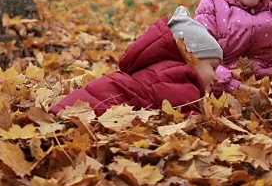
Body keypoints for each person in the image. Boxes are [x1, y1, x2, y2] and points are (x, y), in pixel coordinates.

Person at [49, 6, 224, 116]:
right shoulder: (178, 78)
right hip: (85, 113)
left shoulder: (162, 71)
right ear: (191, 57)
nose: (216, 77)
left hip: (76, 109)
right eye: (213, 67)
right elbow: (183, 118)